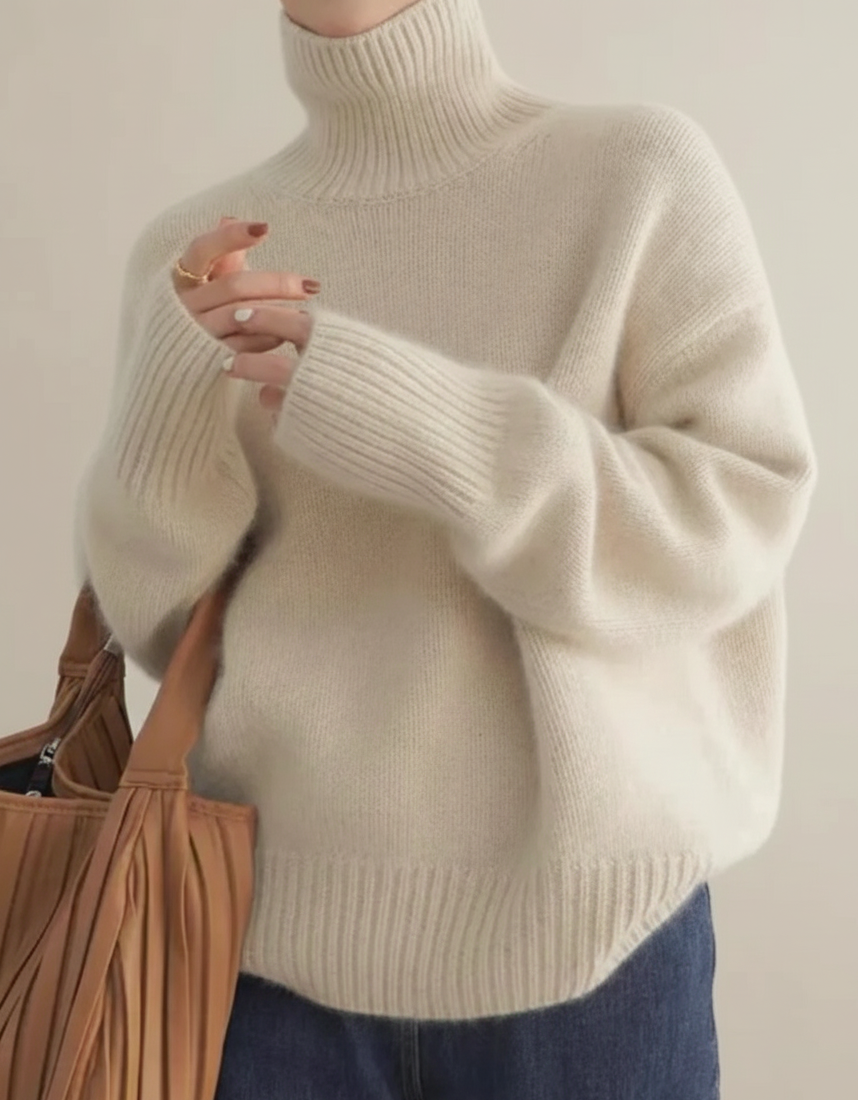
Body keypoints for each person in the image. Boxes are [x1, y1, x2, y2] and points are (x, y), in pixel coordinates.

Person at [73, 0, 817, 1096]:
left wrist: (425, 424)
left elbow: (736, 515)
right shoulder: (196, 257)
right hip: (260, 957)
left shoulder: (635, 175)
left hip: (591, 951)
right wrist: (169, 403)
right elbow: (158, 624)